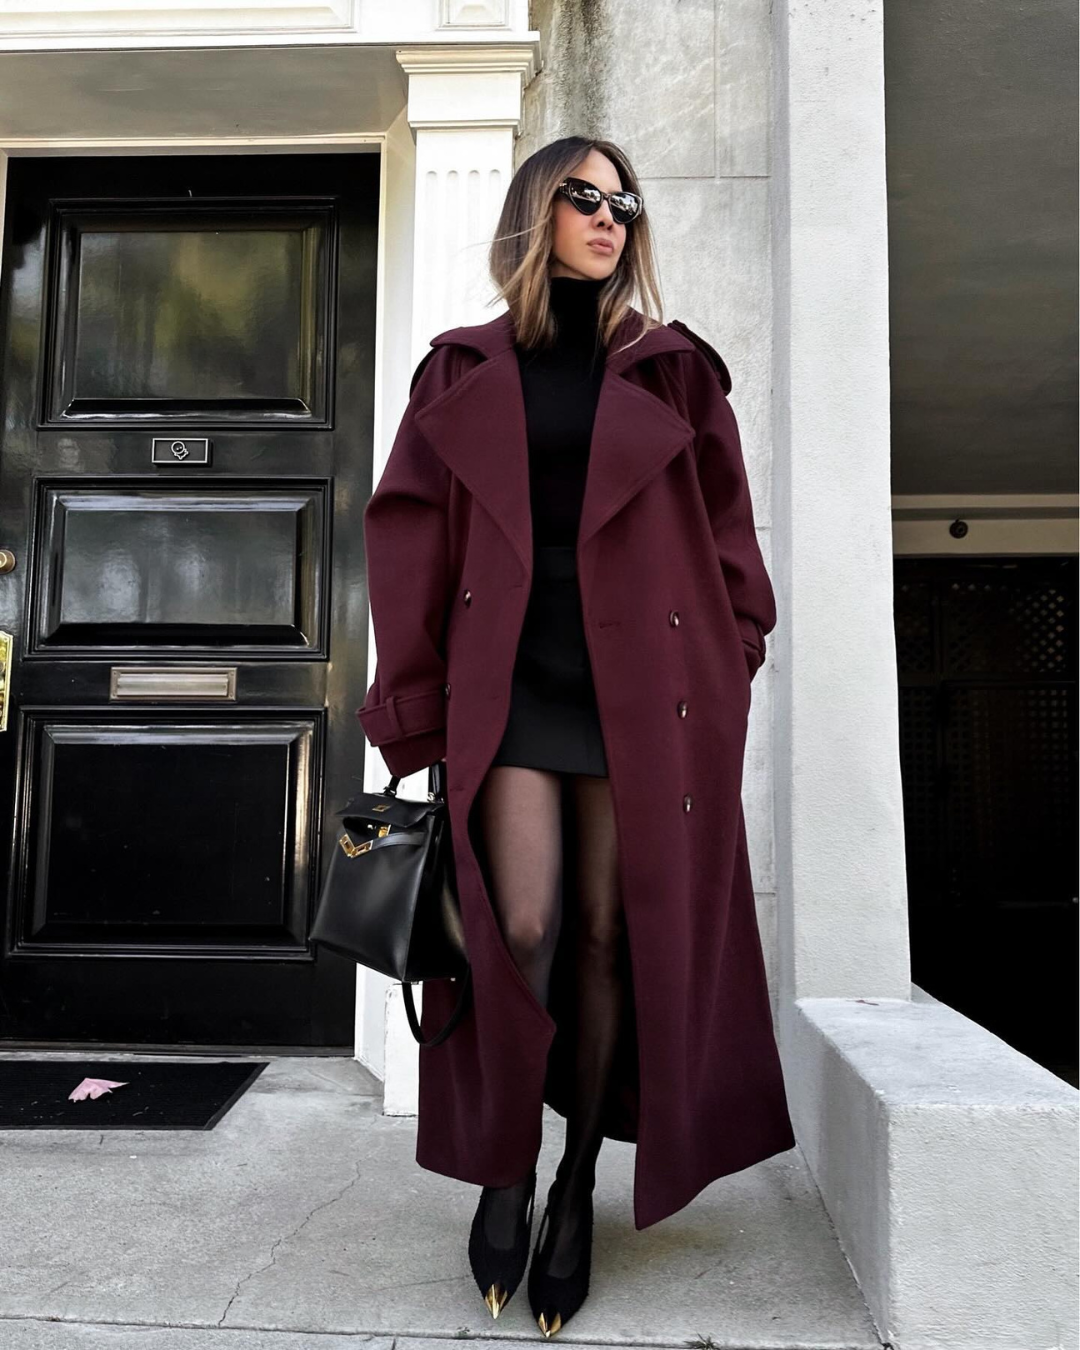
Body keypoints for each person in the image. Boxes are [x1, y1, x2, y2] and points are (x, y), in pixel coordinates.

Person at [357, 135, 794, 1338]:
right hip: (511, 684)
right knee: (520, 928)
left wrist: (732, 655)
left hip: (642, 690)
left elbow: (730, 539)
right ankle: (505, 1165)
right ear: (535, 211)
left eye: (625, 201)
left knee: (608, 937)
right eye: (585, 197)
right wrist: (414, 702)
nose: (610, 217)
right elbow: (408, 538)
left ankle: (574, 1186)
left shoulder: (674, 372)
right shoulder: (460, 368)